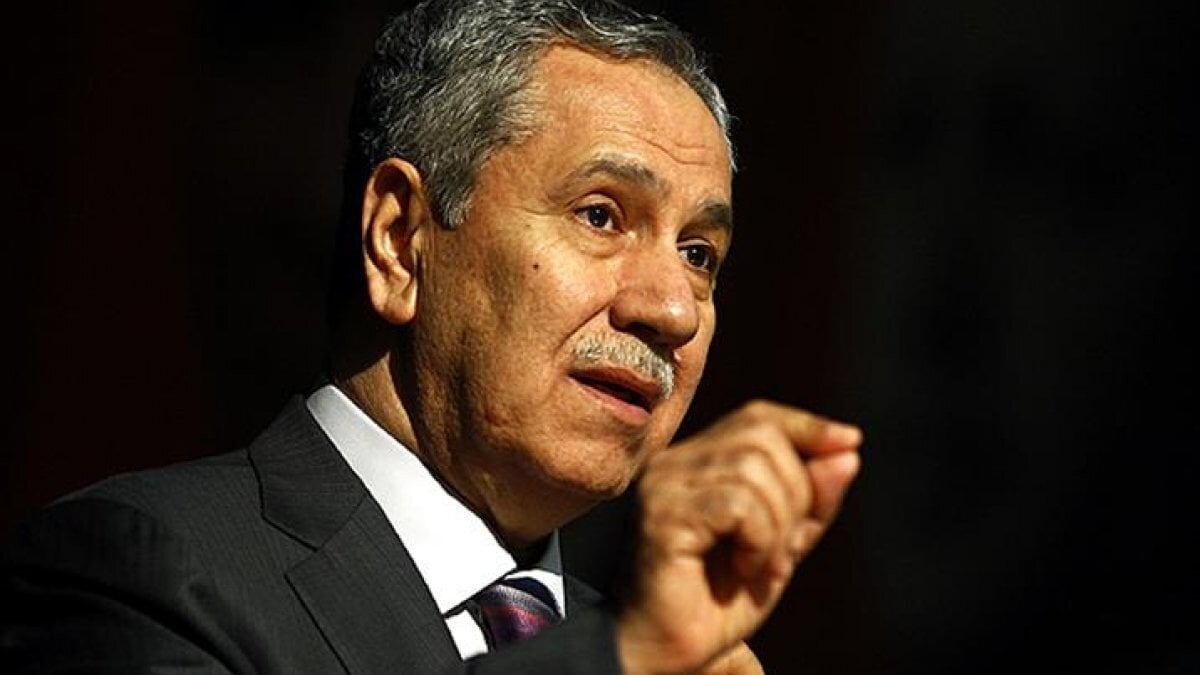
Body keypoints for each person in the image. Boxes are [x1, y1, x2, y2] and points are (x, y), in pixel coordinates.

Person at [1, 0, 862, 673]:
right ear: (400, 238)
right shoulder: (143, 569)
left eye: (700, 254)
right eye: (600, 215)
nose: (673, 310)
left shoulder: (663, 649)